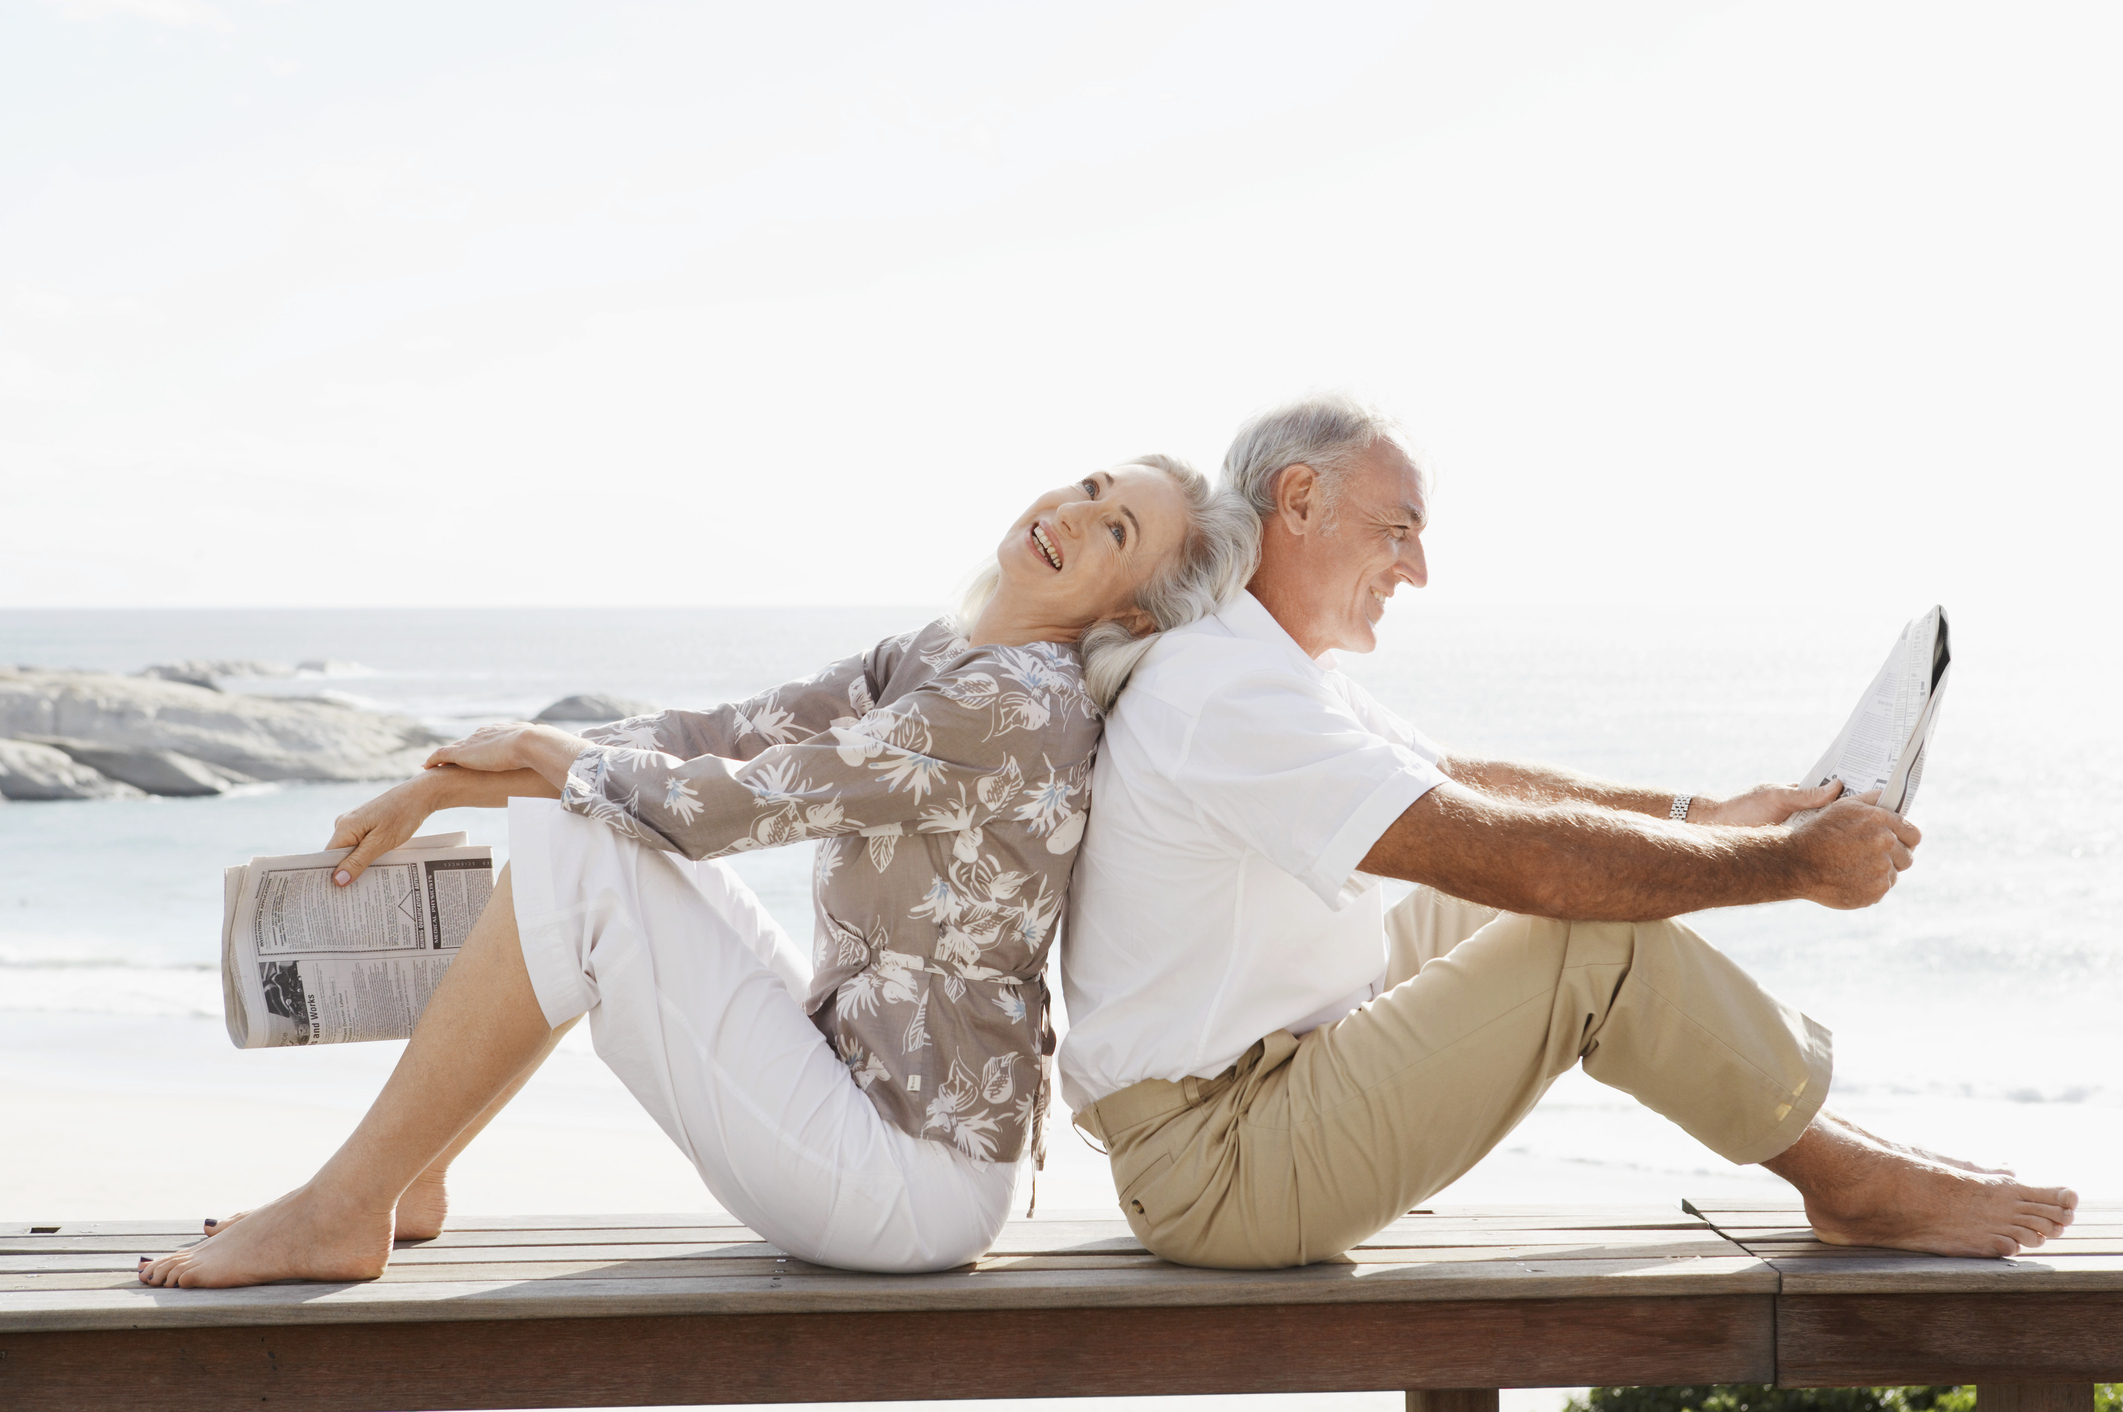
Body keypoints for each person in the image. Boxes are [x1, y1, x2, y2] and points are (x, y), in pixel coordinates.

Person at [140, 456, 1257, 1289]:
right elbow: (714, 731)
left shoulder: (1013, 706)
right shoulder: (937, 656)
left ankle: (347, 1202)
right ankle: (411, 1174)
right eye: (1088, 484)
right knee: (580, 823)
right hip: (856, 1097)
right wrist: (459, 775)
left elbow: (722, 805)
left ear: (1130, 611)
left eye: (1115, 528)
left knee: (587, 833)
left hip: (909, 1182)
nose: (1071, 511)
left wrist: (536, 756)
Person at [1058, 395, 2078, 1270]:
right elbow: (1528, 863)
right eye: (1398, 528)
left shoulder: (1266, 665)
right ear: (1298, 500)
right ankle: (1849, 1183)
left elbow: (1470, 784)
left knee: (1509, 879)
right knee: (1587, 934)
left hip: (1261, 1085)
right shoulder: (1221, 689)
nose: (1415, 568)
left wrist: (1703, 816)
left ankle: (1850, 1146)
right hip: (1222, 1161)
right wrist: (1787, 865)